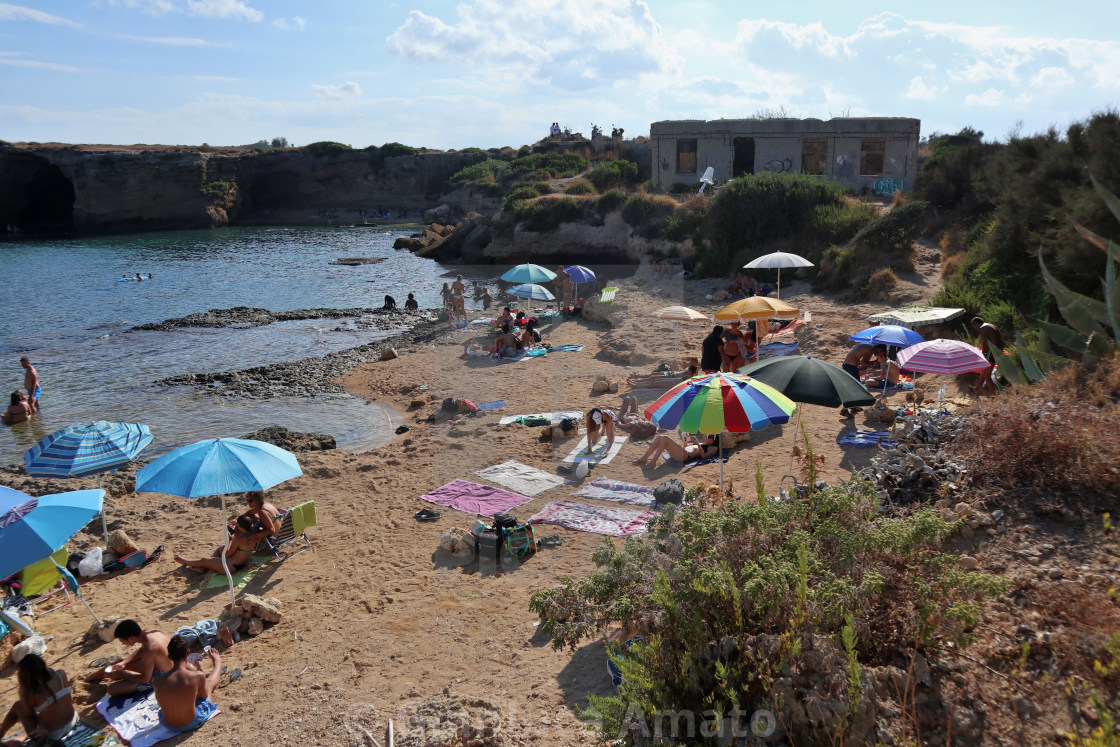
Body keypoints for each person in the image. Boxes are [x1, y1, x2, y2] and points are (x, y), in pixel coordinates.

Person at [0, 654, 78, 745]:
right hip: (72, 721)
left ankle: (1, 733)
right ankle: (21, 735)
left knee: (18, 706)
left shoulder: (32, 693)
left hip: (52, 734)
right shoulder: (61, 674)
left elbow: (28, 714)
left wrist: (23, 690)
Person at [152, 635, 221, 735]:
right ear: (188, 653)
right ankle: (217, 662)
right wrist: (201, 670)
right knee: (208, 685)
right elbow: (203, 696)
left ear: (169, 656)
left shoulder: (157, 681)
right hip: (190, 723)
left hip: (167, 724)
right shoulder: (197, 676)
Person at [85, 619, 173, 696]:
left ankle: (117, 675)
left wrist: (122, 674)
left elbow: (145, 679)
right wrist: (124, 663)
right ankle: (93, 677)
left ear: (130, 638)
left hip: (163, 677)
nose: (123, 644)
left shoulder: (149, 648)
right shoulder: (150, 632)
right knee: (120, 661)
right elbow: (142, 650)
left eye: (122, 641)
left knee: (112, 689)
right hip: (167, 665)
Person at [174, 515, 271, 574]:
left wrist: (230, 540)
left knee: (205, 559)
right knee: (220, 548)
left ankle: (185, 561)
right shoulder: (253, 533)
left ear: (240, 526)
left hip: (230, 567)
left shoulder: (239, 539)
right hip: (240, 563)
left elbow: (227, 554)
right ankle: (201, 568)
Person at [633, 432, 720, 469]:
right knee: (660, 437)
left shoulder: (713, 448)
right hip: (681, 452)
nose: (707, 438)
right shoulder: (702, 444)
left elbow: (704, 457)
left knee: (665, 438)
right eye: (707, 436)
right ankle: (645, 457)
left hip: (685, 456)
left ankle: (653, 461)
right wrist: (686, 439)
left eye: (710, 437)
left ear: (714, 440)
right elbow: (686, 446)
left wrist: (697, 442)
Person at [970, 316, 1005, 396]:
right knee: (984, 371)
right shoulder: (992, 326)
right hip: (999, 351)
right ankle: (976, 389)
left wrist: (983, 354)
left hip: (992, 351)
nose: (975, 328)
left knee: (987, 375)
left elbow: (986, 343)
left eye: (973, 326)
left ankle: (994, 396)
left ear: (975, 324)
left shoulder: (982, 328)